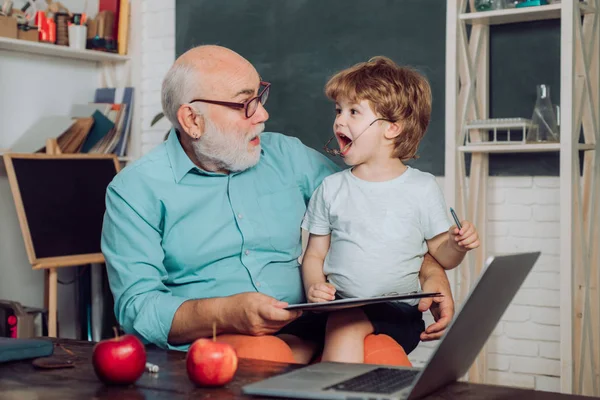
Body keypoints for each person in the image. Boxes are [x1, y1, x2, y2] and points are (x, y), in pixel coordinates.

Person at [100, 45, 455, 363]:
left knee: (384, 356)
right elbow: (138, 308)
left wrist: (431, 270)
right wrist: (225, 313)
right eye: (245, 104)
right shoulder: (134, 190)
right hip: (216, 344)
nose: (262, 116)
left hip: (312, 326)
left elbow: (368, 213)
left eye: (260, 97)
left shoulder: (288, 156)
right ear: (192, 120)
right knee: (265, 356)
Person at [295, 56, 480, 363]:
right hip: (337, 304)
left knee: (346, 325)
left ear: (392, 129)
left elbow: (442, 255)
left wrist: (456, 245)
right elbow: (314, 254)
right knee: (308, 334)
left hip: (397, 312)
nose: (340, 120)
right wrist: (315, 286)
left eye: (354, 111)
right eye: (338, 110)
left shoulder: (422, 188)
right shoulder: (331, 188)